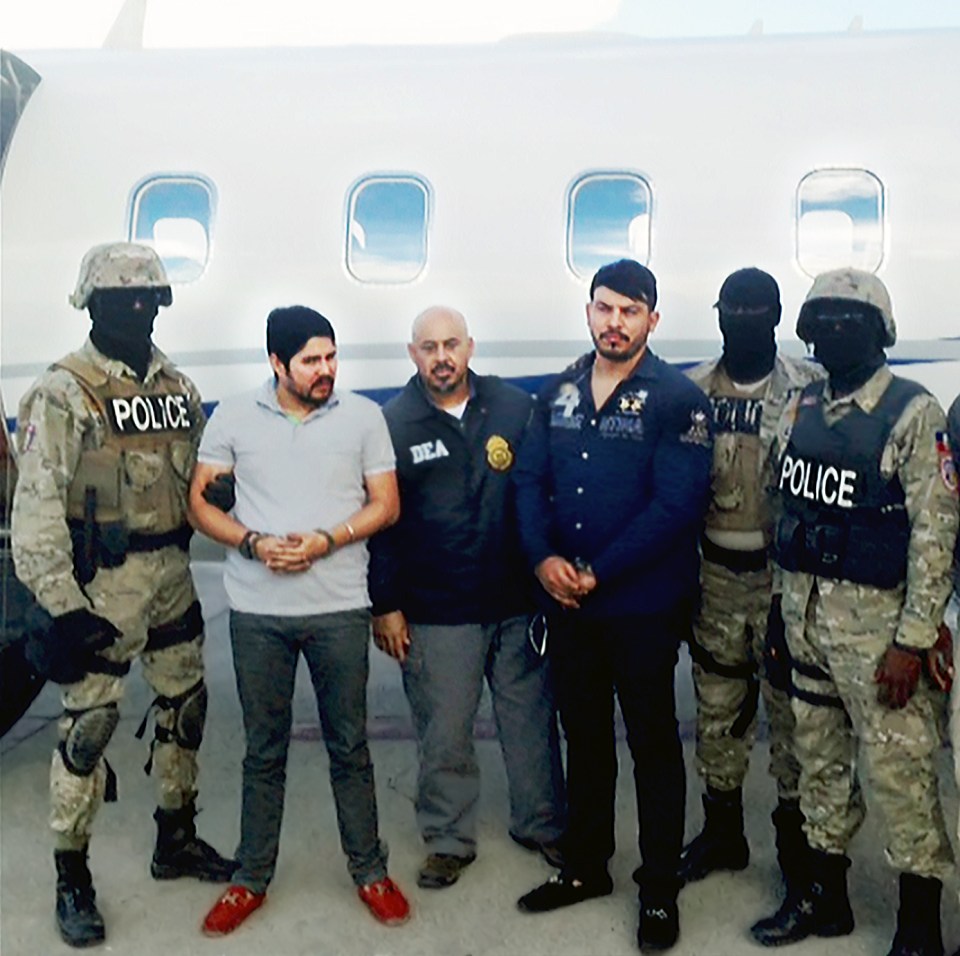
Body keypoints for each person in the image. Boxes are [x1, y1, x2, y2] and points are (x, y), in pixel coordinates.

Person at [11, 242, 237, 949]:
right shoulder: (62, 392)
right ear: (93, 304)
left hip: (171, 571)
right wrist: (61, 603)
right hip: (101, 587)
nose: (138, 309)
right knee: (88, 731)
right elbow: (37, 503)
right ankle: (70, 875)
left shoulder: (177, 389)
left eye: (149, 298)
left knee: (185, 708)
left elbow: (204, 472)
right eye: (121, 299)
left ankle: (177, 838)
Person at [751, 268, 958, 956]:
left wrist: (915, 639)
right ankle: (825, 899)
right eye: (825, 318)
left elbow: (934, 533)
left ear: (881, 330)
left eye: (852, 317)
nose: (836, 329)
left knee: (902, 777)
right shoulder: (797, 407)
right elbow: (785, 513)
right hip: (805, 621)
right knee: (818, 767)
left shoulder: (912, 411)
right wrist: (781, 619)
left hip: (880, 638)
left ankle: (919, 927)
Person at [188, 305, 411, 936]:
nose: (325, 371)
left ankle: (370, 871)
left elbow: (385, 504)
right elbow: (201, 503)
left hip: (339, 609)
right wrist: (254, 542)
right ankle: (250, 878)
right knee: (263, 752)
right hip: (259, 613)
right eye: (311, 361)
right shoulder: (233, 416)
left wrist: (326, 539)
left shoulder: (364, 416)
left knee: (350, 747)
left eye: (331, 358)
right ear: (276, 363)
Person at [512, 259, 713, 952]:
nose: (614, 322)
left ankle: (658, 888)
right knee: (586, 742)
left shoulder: (678, 399)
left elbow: (676, 505)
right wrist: (543, 561)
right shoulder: (557, 393)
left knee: (654, 746)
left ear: (652, 320)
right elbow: (530, 481)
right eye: (604, 308)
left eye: (630, 311)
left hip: (642, 608)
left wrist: (598, 571)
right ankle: (587, 868)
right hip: (570, 608)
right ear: (589, 311)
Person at [368, 306, 565, 890]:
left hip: (515, 604)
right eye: (428, 347)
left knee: (531, 724)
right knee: (445, 730)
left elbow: (542, 494)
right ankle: (449, 839)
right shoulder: (393, 424)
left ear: (470, 347)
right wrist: (385, 604)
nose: (441, 357)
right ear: (412, 354)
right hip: (437, 609)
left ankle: (543, 825)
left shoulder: (513, 408)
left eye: (451, 344)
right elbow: (382, 527)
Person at [681, 268, 823, 893]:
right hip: (715, 576)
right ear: (718, 317)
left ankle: (796, 850)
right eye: (731, 310)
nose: (741, 320)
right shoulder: (690, 393)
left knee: (790, 717)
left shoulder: (812, 389)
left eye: (754, 309)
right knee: (717, 712)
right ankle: (724, 834)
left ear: (776, 315)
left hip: (783, 582)